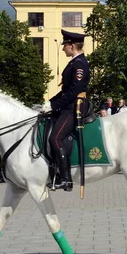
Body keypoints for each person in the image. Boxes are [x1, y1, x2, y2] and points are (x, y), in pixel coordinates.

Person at [41, 29, 90, 191]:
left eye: (65, 46)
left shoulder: (80, 64)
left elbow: (74, 91)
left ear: (72, 46)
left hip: (74, 107)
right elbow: (65, 91)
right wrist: (49, 103)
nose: (63, 49)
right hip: (68, 104)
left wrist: (55, 105)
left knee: (55, 138)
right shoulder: (74, 63)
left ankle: (66, 179)